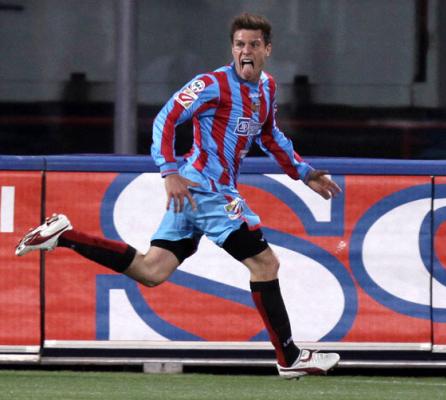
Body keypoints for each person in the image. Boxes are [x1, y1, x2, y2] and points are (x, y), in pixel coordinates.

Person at [15, 12, 342, 379]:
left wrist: (304, 172)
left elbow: (269, 136)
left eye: (253, 45)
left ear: (268, 49)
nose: (245, 51)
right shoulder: (212, 84)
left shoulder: (266, 87)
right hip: (206, 189)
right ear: (231, 49)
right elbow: (166, 118)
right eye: (239, 45)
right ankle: (289, 357)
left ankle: (65, 235)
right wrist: (168, 171)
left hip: (196, 193)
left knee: (151, 271)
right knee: (264, 264)